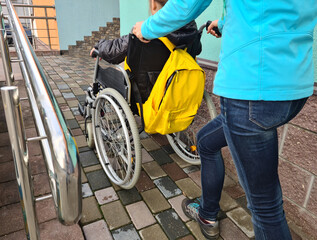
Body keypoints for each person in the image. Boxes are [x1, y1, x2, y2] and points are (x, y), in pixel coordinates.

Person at [133, 1, 317, 240]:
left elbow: (187, 4)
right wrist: (223, 23)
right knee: (206, 142)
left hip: (250, 91)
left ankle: (209, 216)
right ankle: (207, 214)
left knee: (266, 209)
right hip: (294, 88)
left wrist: (146, 28)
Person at [90, 0, 202, 103]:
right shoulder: (192, 34)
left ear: (153, 4)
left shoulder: (144, 33)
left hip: (146, 96)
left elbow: (114, 51)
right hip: (178, 91)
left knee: (115, 70)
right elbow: (198, 49)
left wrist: (99, 47)